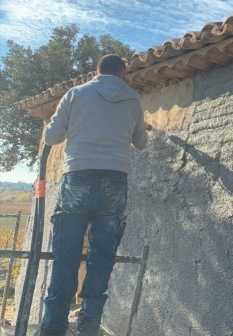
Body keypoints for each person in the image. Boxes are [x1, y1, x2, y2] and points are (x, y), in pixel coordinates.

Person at [39, 54, 149, 336]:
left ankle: (52, 330)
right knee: (101, 258)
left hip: (77, 176)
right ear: (122, 74)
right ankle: (87, 329)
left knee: (66, 255)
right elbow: (141, 143)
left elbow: (52, 137)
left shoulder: (76, 94)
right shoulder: (132, 99)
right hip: (115, 180)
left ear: (96, 72)